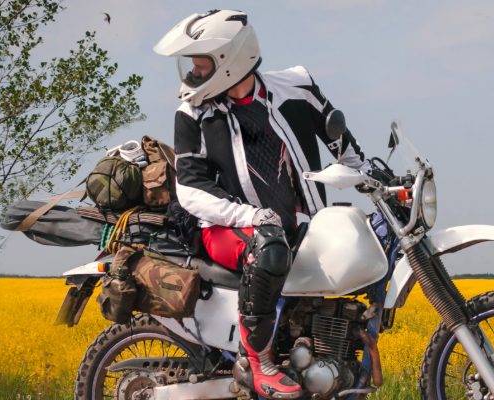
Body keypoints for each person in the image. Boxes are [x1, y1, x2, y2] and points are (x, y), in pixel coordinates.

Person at [153, 10, 368, 399]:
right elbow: (190, 188)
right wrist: (251, 216)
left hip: (294, 226)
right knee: (267, 246)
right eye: (194, 64)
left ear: (230, 60)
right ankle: (258, 364)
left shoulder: (297, 88)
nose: (194, 73)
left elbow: (351, 155)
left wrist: (382, 180)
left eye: (202, 63)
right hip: (223, 228)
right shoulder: (194, 114)